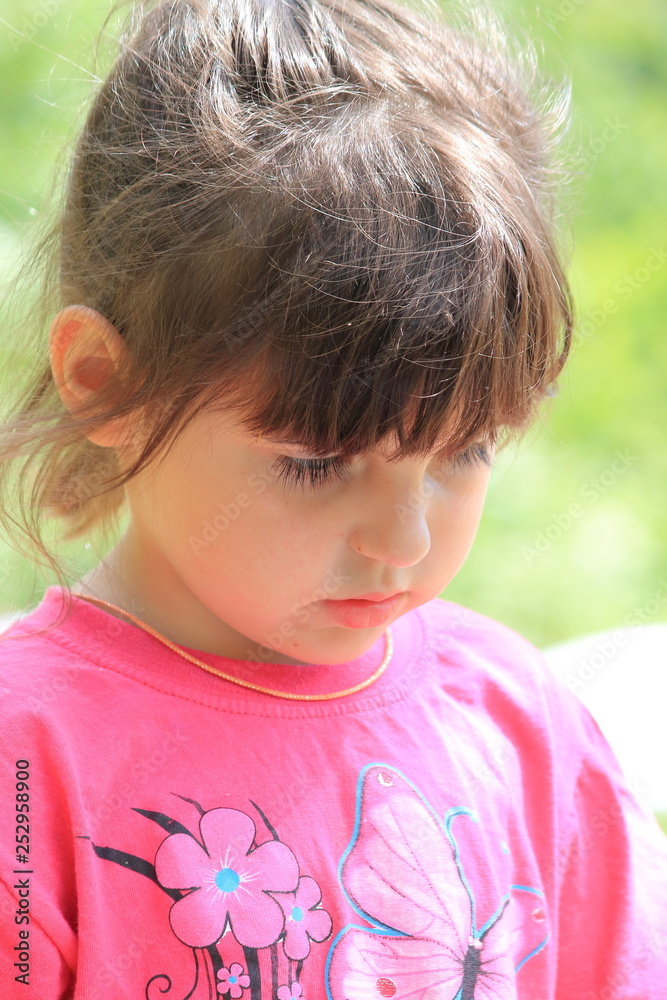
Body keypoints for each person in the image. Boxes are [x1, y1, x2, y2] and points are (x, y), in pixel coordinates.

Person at [1, 0, 666, 996]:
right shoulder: (30, 760)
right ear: (105, 382)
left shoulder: (518, 724)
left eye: (464, 449)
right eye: (317, 463)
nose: (402, 540)